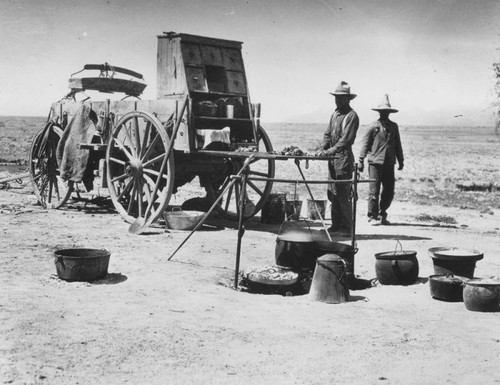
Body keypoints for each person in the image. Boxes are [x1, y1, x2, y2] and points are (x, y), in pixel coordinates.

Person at [316, 81, 359, 235]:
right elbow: (327, 134)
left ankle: (346, 228)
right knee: (332, 193)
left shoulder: (351, 116)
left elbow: (346, 140)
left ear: (348, 99)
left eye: (341, 98)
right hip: (332, 159)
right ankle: (335, 225)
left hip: (343, 159)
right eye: (336, 97)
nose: (338, 100)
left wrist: (331, 151)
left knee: (343, 195)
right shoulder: (334, 114)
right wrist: (323, 148)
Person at [358, 94, 404, 225]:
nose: (385, 114)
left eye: (387, 112)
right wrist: (361, 160)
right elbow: (365, 144)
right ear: (379, 112)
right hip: (375, 163)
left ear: (390, 112)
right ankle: (372, 215)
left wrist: (401, 160)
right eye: (383, 112)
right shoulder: (373, 127)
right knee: (374, 191)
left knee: (389, 191)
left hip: (389, 163)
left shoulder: (394, 127)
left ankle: (382, 214)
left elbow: (397, 144)